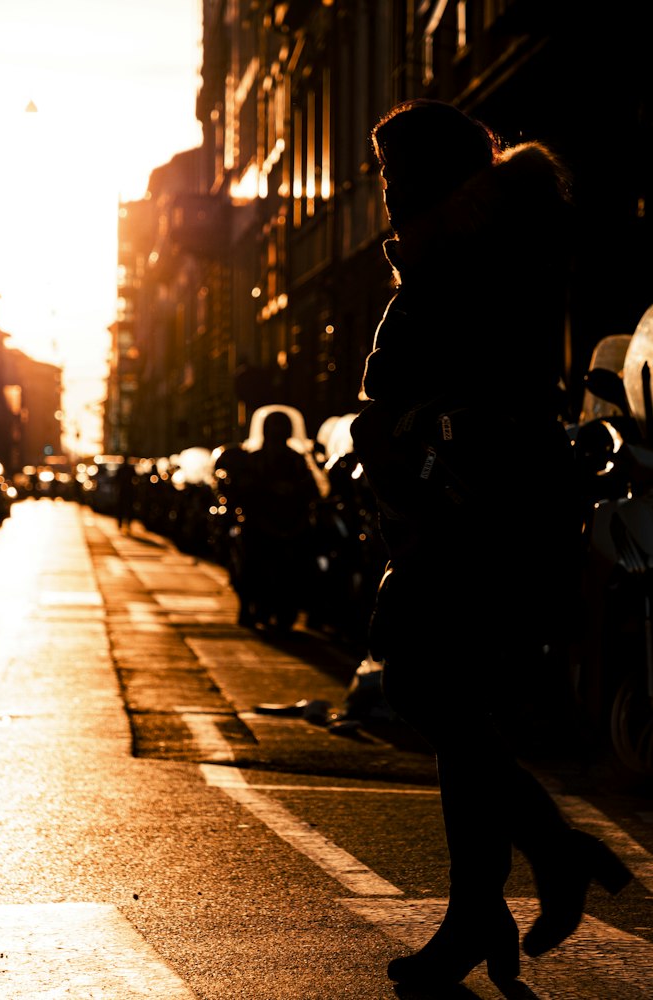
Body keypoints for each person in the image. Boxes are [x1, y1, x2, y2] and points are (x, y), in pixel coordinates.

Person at [349, 99, 632, 988]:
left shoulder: (481, 255)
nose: (386, 195)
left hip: (477, 509)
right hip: (456, 505)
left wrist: (418, 433)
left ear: (436, 180)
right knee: (449, 702)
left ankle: (541, 860)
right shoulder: (462, 250)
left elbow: (490, 387)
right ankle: (486, 905)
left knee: (429, 688)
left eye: (396, 176)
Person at [235, 410, 320, 631]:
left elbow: (311, 487)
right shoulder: (254, 460)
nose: (277, 433)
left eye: (281, 428)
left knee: (302, 560)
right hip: (260, 520)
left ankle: (302, 606)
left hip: (291, 521)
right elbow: (243, 489)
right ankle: (247, 604)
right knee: (248, 560)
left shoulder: (296, 459)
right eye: (274, 428)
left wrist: (294, 491)